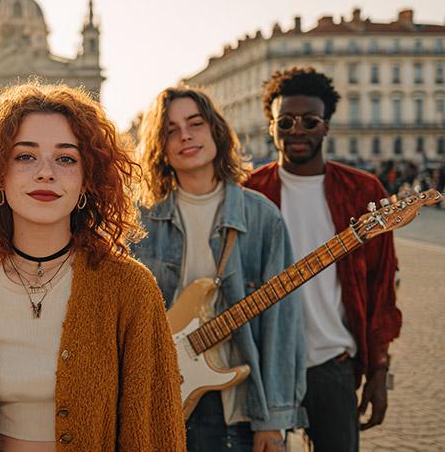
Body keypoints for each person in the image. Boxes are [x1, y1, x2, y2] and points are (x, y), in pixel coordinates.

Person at [0, 83, 186, 451]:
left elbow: (156, 429)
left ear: (87, 181)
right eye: (25, 156)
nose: (45, 173)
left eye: (66, 158)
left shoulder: (131, 289)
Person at [132, 86, 306, 452]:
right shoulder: (138, 220)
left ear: (215, 130)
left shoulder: (261, 217)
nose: (185, 136)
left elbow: (282, 326)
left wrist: (272, 420)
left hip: (234, 408)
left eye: (195, 123)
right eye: (170, 129)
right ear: (159, 146)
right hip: (155, 404)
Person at [244, 67, 402, 452]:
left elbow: (381, 288)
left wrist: (379, 371)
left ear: (326, 126)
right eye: (286, 121)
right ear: (271, 126)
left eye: (310, 121)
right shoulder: (248, 193)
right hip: (262, 367)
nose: (297, 129)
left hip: (333, 362)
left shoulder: (364, 192)